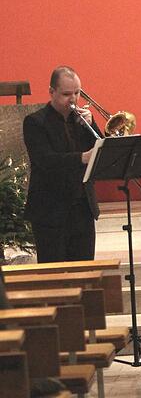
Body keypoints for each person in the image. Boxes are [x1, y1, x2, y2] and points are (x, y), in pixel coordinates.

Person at [23, 66, 100, 263]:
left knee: (84, 272)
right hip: (51, 212)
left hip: (82, 208)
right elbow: (45, 161)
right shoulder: (35, 122)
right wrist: (81, 157)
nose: (73, 99)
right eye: (66, 94)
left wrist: (92, 126)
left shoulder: (82, 122)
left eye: (77, 93)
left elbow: (102, 152)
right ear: (52, 92)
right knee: (54, 274)